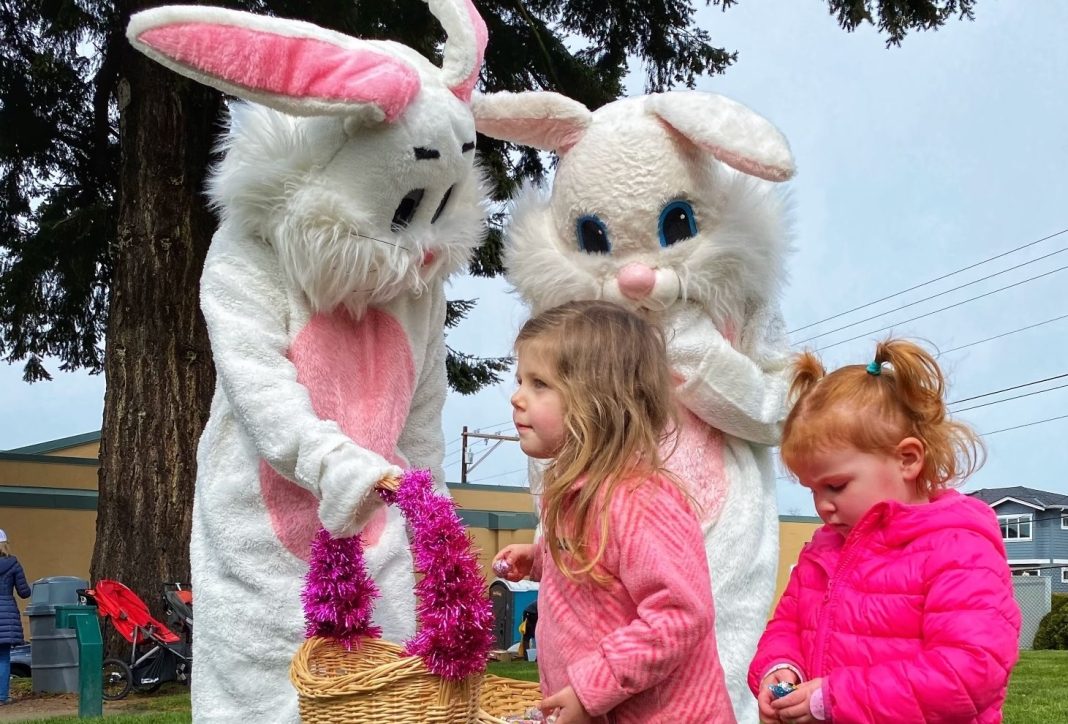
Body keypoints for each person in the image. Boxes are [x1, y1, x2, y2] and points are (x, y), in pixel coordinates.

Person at [749, 339, 1021, 724]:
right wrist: (781, 666)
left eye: (836, 486)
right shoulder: (824, 551)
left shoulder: (957, 546)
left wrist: (836, 698)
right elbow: (787, 625)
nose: (822, 506)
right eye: (812, 490)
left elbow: (969, 673)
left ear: (906, 460)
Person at [494, 300, 735, 724]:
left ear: (597, 402)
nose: (517, 397)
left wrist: (591, 689)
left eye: (539, 384)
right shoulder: (574, 494)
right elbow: (599, 582)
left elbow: (679, 613)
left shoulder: (638, 499)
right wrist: (542, 560)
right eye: (520, 381)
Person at [0, 529, 31, 705]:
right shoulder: (13, 564)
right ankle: (2, 696)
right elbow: (24, 592)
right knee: (3, 657)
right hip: (7, 614)